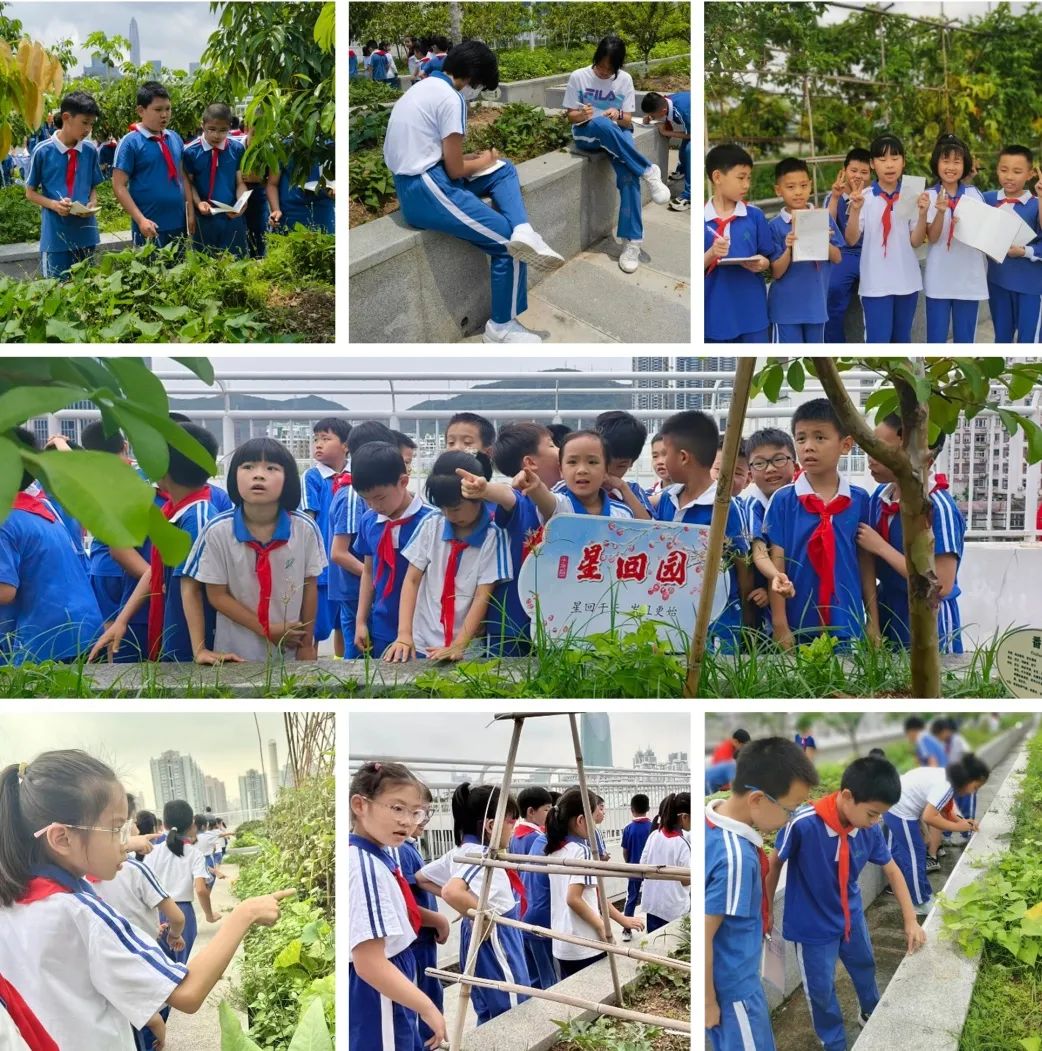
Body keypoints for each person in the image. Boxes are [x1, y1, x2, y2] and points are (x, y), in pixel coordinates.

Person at [0, 750, 293, 1051]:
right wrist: (245, 913)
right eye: (116, 829)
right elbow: (187, 993)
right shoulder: (82, 913)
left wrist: (147, 1013)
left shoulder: (13, 906)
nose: (124, 844)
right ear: (62, 838)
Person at [383, 40, 565, 344]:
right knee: (508, 243)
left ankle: (524, 229)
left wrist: (484, 162)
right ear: (471, 78)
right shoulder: (452, 99)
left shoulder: (423, 87)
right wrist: (485, 159)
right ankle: (501, 328)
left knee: (504, 169)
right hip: (426, 189)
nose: (477, 93)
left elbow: (440, 155)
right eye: (480, 86)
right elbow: (455, 170)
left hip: (421, 180)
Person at [764, 756, 927, 1051]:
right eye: (873, 814)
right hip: (812, 928)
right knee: (821, 990)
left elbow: (891, 869)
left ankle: (870, 1011)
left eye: (880, 816)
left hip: (851, 917)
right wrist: (766, 911)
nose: (877, 821)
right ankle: (834, 1041)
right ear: (848, 797)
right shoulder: (803, 823)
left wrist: (910, 919)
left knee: (865, 964)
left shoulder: (868, 829)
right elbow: (774, 864)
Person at [705, 737, 819, 1050]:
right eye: (790, 809)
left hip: (734, 980)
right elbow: (704, 933)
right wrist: (708, 1002)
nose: (790, 819)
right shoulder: (736, 859)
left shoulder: (713, 825)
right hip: (734, 994)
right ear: (757, 800)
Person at [87, 422, 226, 665]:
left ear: (162, 468)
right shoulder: (177, 511)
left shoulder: (198, 516)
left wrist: (199, 649)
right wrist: (122, 620)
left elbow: (191, 587)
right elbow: (155, 571)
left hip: (185, 643)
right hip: (171, 631)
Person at [182, 436, 326, 662]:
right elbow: (216, 595)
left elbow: (310, 587)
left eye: (271, 468)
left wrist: (307, 645)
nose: (258, 474)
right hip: (234, 654)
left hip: (290, 650)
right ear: (234, 477)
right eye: (248, 467)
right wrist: (266, 629)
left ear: (288, 478)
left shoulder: (305, 528)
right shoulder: (218, 530)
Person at [763, 399, 879, 648]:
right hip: (798, 622)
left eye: (820, 437)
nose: (808, 447)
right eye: (801, 438)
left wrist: (873, 622)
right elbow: (777, 562)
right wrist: (780, 625)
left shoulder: (859, 500)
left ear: (846, 444)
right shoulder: (784, 500)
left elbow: (865, 562)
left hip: (846, 622)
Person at [349, 761, 447, 1050]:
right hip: (379, 994)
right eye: (397, 808)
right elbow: (369, 962)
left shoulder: (379, 855)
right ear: (360, 805)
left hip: (393, 982)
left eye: (415, 812)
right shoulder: (364, 866)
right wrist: (427, 1006)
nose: (408, 821)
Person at [386, 451, 512, 662]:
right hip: (421, 640)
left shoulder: (493, 536)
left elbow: (483, 595)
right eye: (443, 508)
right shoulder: (431, 524)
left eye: (455, 508)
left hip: (467, 648)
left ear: (478, 497)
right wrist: (404, 635)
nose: (448, 515)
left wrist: (458, 645)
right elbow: (412, 579)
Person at [857, 414, 964, 652]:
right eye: (871, 447)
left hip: (929, 614)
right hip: (889, 608)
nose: (871, 458)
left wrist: (881, 548)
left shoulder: (939, 508)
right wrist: (872, 619)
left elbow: (942, 585)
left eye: (884, 450)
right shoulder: (880, 498)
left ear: (923, 457)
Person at [564, 36, 670, 275]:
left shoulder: (625, 80)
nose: (603, 73)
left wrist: (617, 112)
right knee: (601, 124)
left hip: (616, 134)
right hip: (587, 134)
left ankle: (632, 242)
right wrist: (582, 113)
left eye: (609, 70)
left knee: (629, 177)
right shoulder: (578, 76)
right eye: (600, 67)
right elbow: (570, 115)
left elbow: (627, 119)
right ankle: (649, 170)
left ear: (618, 66)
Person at [0, 428, 102, 665]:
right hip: (81, 630)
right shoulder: (44, 508)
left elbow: (4, 592)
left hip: (41, 643)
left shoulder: (5, 522)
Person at [655, 410, 752, 644]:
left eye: (664, 453)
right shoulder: (668, 499)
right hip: (674, 610)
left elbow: (742, 562)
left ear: (683, 457)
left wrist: (748, 619)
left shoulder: (724, 506)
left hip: (719, 618)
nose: (661, 461)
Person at [441, 782, 531, 1023]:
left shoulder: (460, 851)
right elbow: (451, 891)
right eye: (512, 822)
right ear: (491, 826)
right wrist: (483, 914)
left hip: (484, 939)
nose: (514, 828)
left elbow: (422, 877)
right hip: (497, 940)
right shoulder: (480, 855)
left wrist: (470, 908)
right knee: (512, 1009)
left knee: (490, 1012)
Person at [479, 422, 562, 656]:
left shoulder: (567, 502)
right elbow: (506, 496)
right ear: (530, 463)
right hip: (511, 619)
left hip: (555, 617)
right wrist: (485, 488)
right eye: (552, 445)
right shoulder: (520, 499)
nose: (559, 450)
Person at [545, 789, 643, 978]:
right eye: (595, 812)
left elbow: (593, 894)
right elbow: (574, 899)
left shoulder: (553, 850)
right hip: (585, 942)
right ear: (581, 820)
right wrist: (603, 928)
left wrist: (621, 919)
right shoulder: (582, 851)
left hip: (563, 942)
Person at [353, 442, 435, 659]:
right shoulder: (369, 521)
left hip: (426, 626)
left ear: (403, 481)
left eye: (379, 498)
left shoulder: (431, 521)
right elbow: (368, 571)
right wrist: (361, 621)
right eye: (366, 499)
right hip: (383, 623)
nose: (373, 506)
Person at [844, 133, 928, 342]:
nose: (889, 165)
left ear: (903, 161)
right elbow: (851, 239)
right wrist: (855, 210)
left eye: (895, 158)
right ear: (872, 164)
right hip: (876, 284)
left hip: (906, 281)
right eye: (882, 160)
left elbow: (916, 241)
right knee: (878, 342)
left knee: (902, 341)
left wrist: (923, 213)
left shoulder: (911, 195)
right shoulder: (864, 197)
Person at [882, 755, 988, 908]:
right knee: (915, 855)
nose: (973, 792)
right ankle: (920, 902)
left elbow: (947, 811)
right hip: (900, 809)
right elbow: (929, 817)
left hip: (893, 801)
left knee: (904, 853)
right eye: (975, 787)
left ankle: (910, 891)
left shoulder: (948, 779)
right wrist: (959, 827)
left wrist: (963, 822)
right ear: (967, 779)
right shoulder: (946, 785)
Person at [329, 421, 397, 661]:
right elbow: (338, 552)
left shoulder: (355, 490)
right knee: (360, 650)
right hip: (354, 589)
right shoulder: (352, 495)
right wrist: (379, 577)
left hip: (358, 587)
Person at [24, 90, 104, 279]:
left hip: (86, 233)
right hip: (56, 236)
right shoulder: (43, 151)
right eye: (84, 122)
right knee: (57, 293)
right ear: (67, 117)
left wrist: (92, 202)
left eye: (91, 124)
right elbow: (30, 192)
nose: (88, 129)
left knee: (86, 291)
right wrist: (54, 205)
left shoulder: (90, 150)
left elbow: (93, 186)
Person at [389, 787, 446, 1046]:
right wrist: (438, 919)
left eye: (421, 812)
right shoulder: (400, 850)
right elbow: (405, 904)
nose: (418, 820)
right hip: (416, 941)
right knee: (423, 1005)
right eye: (407, 811)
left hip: (420, 939)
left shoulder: (407, 847)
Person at [768, 158, 844, 342]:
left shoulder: (823, 219)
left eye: (803, 185)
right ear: (778, 190)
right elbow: (776, 272)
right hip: (785, 310)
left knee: (815, 363)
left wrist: (822, 240)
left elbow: (837, 257)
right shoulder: (774, 226)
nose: (798, 192)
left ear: (810, 185)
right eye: (791, 187)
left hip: (816, 307)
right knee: (793, 361)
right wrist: (789, 248)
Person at [922, 133, 988, 342]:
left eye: (957, 161)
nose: (951, 167)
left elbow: (983, 232)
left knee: (965, 341)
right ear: (936, 163)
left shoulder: (973, 194)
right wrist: (941, 213)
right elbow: (932, 237)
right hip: (939, 278)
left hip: (969, 278)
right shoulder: (929, 196)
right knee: (936, 340)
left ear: (964, 165)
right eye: (945, 160)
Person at [704, 143, 772, 342]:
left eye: (749, 178)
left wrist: (763, 263)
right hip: (713, 315)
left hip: (753, 314)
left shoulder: (755, 216)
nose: (746, 185)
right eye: (740, 178)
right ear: (717, 177)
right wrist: (711, 254)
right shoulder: (701, 219)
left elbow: (769, 258)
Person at [113, 81, 191, 253]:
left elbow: (182, 177)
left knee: (179, 273)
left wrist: (190, 214)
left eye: (168, 109)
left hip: (178, 223)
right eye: (158, 110)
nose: (164, 115)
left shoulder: (174, 138)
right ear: (141, 111)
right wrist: (140, 220)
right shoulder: (130, 142)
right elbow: (119, 186)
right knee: (151, 274)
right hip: (149, 225)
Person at [982, 145, 1042, 342]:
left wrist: (1024, 251)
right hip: (998, 281)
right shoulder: (988, 199)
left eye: (1017, 171)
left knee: (1029, 341)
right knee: (1002, 339)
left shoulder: (1036, 204)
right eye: (1004, 170)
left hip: (1030, 286)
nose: (1009, 176)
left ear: (1030, 173)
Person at [302, 417, 352, 654]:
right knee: (313, 628)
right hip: (322, 568)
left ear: (346, 445)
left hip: (347, 565)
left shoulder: (356, 477)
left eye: (326, 438)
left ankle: (343, 670)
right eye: (316, 439)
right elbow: (308, 519)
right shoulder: (311, 477)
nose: (318, 444)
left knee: (345, 625)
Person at [744, 428, 798, 630]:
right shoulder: (752, 506)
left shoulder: (804, 502)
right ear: (750, 473)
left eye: (778, 460)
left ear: (795, 463)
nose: (770, 469)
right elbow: (759, 551)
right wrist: (775, 577)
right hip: (768, 607)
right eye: (760, 463)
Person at [520, 430, 642, 519]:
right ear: (561, 470)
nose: (582, 470)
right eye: (572, 462)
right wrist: (536, 488)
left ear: (606, 471)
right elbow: (545, 501)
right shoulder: (561, 505)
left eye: (592, 462)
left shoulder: (623, 514)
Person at [182, 102, 249, 257]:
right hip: (204, 218)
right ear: (202, 125)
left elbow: (240, 182)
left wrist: (241, 202)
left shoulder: (236, 149)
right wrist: (199, 203)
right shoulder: (191, 152)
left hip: (231, 217)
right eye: (211, 129)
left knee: (235, 261)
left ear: (229, 128)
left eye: (223, 130)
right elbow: (189, 184)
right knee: (205, 263)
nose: (216, 135)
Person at [824, 147, 872, 341]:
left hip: (870, 251)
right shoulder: (834, 196)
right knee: (833, 289)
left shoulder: (873, 196)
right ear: (844, 171)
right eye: (853, 171)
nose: (858, 176)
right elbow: (826, 224)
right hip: (843, 254)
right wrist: (835, 197)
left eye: (864, 172)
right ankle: (834, 346)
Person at [639, 792, 690, 933]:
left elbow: (642, 864)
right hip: (674, 909)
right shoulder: (682, 843)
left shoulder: (654, 835)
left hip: (654, 905)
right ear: (684, 817)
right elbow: (686, 880)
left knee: (655, 946)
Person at [595, 410, 655, 515]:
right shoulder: (578, 485)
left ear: (631, 462)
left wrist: (623, 488)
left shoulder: (633, 490)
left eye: (620, 466)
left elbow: (648, 526)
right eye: (605, 463)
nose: (609, 472)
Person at [640, 89, 690, 210]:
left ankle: (689, 197)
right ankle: (682, 170)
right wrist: (650, 116)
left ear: (662, 111)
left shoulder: (684, 111)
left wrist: (666, 131)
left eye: (653, 114)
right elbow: (665, 113)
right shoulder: (667, 101)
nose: (652, 117)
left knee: (690, 150)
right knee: (684, 150)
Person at [620, 793, 653, 941]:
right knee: (652, 897)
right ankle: (653, 928)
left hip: (633, 868)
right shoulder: (653, 827)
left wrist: (629, 864)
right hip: (652, 870)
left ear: (632, 809)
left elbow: (625, 851)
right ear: (648, 808)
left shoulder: (628, 829)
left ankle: (627, 930)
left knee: (631, 898)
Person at [647, 432, 671, 496]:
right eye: (655, 456)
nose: (659, 462)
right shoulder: (645, 496)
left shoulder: (694, 496)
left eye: (666, 454)